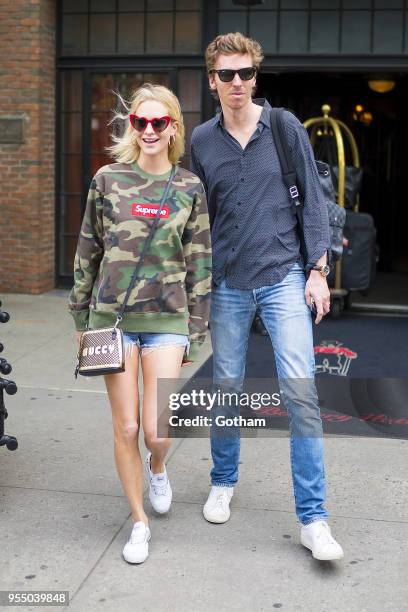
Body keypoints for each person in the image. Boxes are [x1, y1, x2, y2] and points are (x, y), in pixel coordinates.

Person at [190, 32, 344, 561]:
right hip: (228, 282)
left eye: (246, 73)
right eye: (227, 74)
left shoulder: (284, 126)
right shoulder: (201, 141)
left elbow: (314, 203)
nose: (238, 83)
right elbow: (197, 216)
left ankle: (313, 518)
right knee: (226, 386)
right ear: (212, 81)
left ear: (256, 77)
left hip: (283, 276)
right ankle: (223, 480)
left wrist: (318, 269)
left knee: (301, 393)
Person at [68, 84, 211, 564]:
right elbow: (88, 249)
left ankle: (158, 467)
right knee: (125, 426)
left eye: (159, 123)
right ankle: (139, 522)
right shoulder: (107, 179)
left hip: (167, 319)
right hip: (112, 319)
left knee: (156, 429)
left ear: (173, 128)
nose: (149, 130)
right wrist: (79, 316)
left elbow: (200, 263)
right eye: (140, 123)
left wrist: (196, 328)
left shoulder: (189, 187)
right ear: (132, 128)